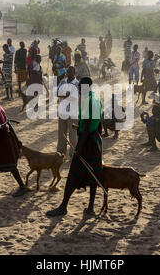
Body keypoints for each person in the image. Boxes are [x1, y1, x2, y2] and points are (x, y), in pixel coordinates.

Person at [46, 77, 103, 216]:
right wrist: (81, 128)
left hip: (87, 142)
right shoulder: (95, 98)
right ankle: (90, 207)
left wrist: (79, 148)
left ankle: (63, 206)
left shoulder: (87, 101)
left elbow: (88, 125)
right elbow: (98, 123)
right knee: (93, 173)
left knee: (73, 174)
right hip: (96, 141)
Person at [57, 66, 79, 158]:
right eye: (67, 72)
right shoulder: (63, 81)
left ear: (74, 74)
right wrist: (67, 95)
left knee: (73, 135)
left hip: (73, 113)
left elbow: (76, 97)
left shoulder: (78, 84)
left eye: (70, 72)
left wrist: (65, 95)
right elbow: (57, 93)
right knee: (61, 134)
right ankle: (61, 153)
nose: (67, 74)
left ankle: (74, 154)